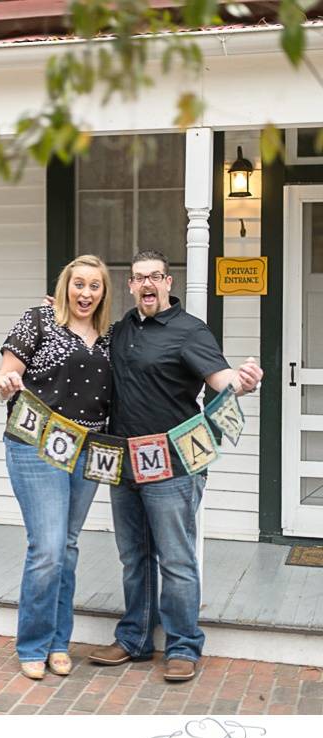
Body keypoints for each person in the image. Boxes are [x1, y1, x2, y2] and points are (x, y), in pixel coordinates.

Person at [87, 250, 263, 682]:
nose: (147, 283)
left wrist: (241, 383)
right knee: (134, 557)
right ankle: (134, 640)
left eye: (155, 277)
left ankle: (183, 646)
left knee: (177, 560)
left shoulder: (190, 331)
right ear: (130, 286)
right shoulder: (120, 330)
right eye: (138, 278)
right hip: (124, 461)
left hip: (174, 465)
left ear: (168, 282)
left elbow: (220, 380)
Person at [0, 254, 113, 680]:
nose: (85, 293)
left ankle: (60, 643)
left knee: (68, 546)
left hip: (88, 448)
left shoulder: (109, 336)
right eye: (79, 284)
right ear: (66, 285)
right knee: (47, 548)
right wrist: (4, 382)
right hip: (37, 444)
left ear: (103, 292)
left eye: (94, 286)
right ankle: (34, 644)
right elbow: (5, 374)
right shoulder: (39, 319)